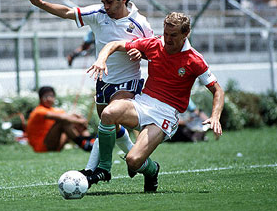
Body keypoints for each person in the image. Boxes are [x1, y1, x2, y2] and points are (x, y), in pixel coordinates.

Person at [23, 0, 154, 174]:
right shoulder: (98, 13)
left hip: (128, 81)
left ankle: (97, 170)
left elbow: (154, 53)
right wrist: (41, 4)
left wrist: (141, 53)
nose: (105, 6)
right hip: (104, 81)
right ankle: (148, 168)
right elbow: (67, 12)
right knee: (110, 126)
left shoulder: (140, 23)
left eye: (109, 2)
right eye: (103, 2)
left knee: (107, 119)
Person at [86, 12, 224, 192]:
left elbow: (217, 90)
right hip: (144, 102)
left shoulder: (194, 59)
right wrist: (102, 59)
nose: (167, 39)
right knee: (108, 113)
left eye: (173, 35)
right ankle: (104, 168)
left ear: (186, 33)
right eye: (166, 33)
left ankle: (152, 170)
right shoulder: (154, 44)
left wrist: (215, 116)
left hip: (166, 114)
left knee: (133, 161)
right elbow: (115, 44)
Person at [26, 86, 95, 153]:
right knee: (64, 121)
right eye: (46, 96)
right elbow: (62, 118)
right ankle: (84, 143)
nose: (49, 99)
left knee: (74, 120)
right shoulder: (38, 111)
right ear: (40, 98)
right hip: (42, 146)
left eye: (51, 96)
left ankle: (90, 142)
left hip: (55, 143)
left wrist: (78, 118)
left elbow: (67, 116)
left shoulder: (54, 110)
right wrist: (80, 121)